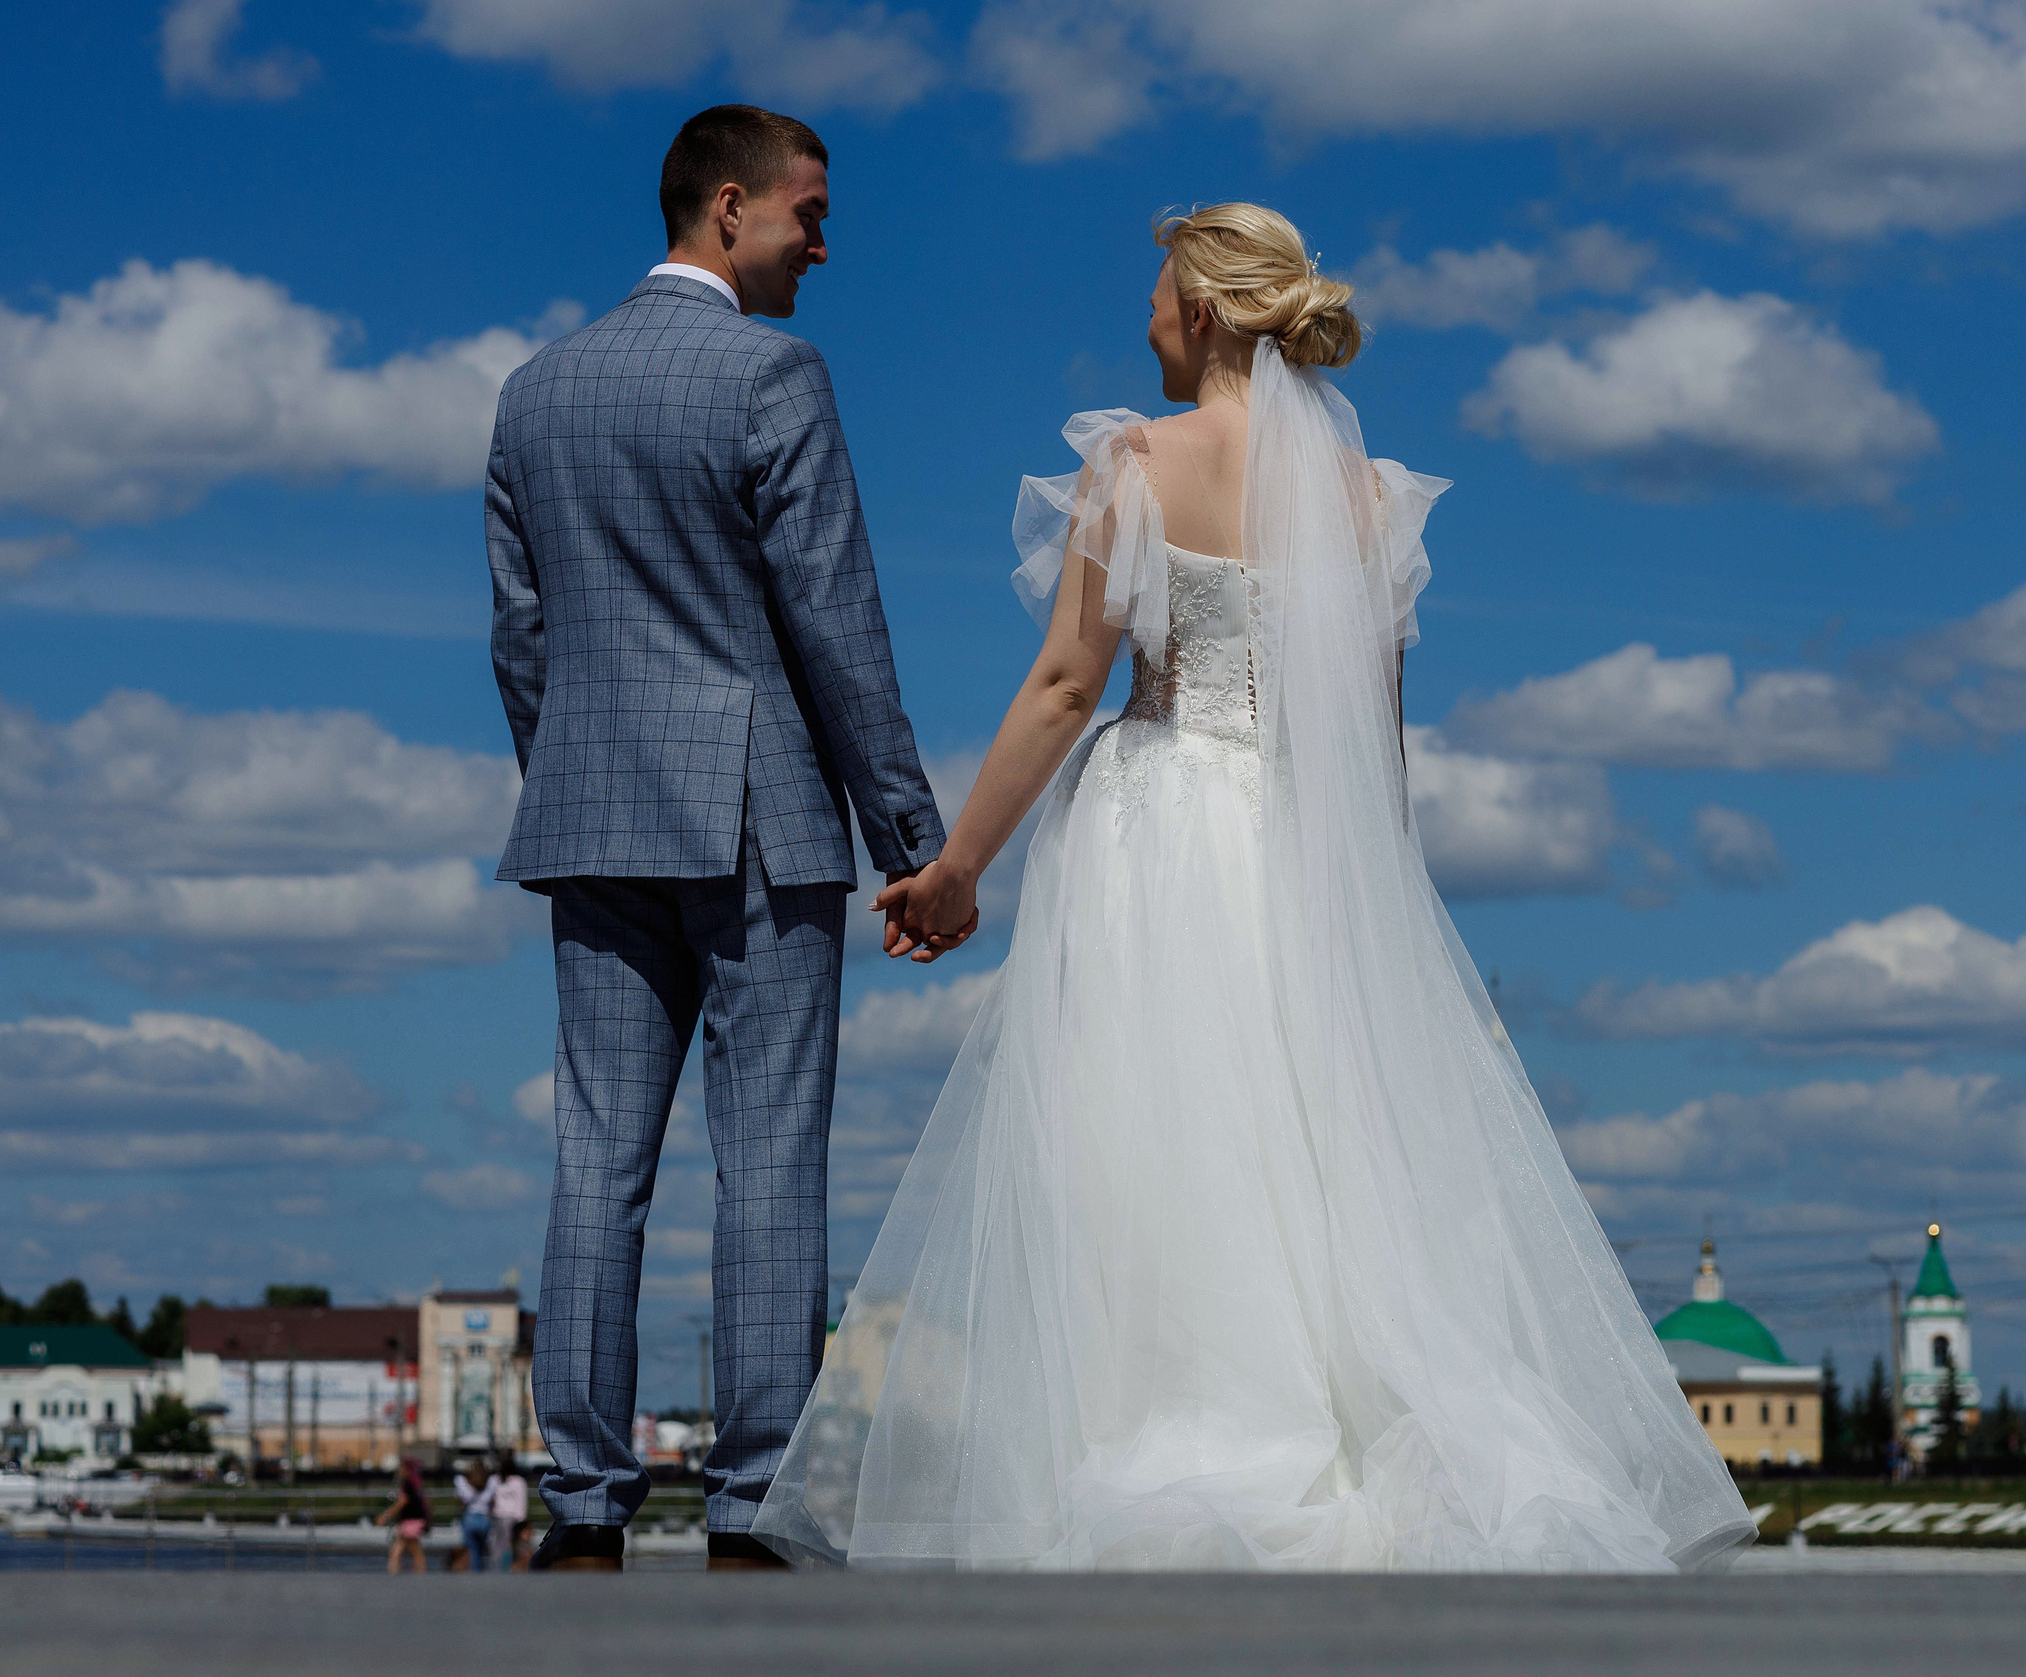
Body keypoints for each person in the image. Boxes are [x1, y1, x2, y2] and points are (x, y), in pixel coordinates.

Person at [752, 204, 1753, 1572]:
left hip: (1164, 831)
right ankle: (1354, 1442)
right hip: (1312, 853)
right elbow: (1374, 746)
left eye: (1159, 294)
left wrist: (957, 864)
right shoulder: (1369, 499)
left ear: (1208, 309)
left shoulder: (1138, 464)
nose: (1146, 320)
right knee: (1324, 1153)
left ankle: (1171, 1427)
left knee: (1149, 1145)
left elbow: (1063, 683)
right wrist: (1380, 920)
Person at [484, 104, 950, 1574]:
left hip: (591, 815)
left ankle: (579, 1502)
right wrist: (912, 837)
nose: (825, 242)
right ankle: (749, 1499)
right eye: (809, 212)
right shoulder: (771, 373)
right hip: (759, 822)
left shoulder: (533, 389)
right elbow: (834, 620)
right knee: (767, 1160)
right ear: (730, 208)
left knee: (594, 1160)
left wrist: (570, 773)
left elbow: (522, 632)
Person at [374, 1458, 432, 1574]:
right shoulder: (415, 1483)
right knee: (407, 1549)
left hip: (410, 1521)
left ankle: (398, 1574)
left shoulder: (407, 1483)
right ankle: (416, 1573)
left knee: (409, 1550)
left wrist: (386, 1515)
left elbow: (403, 1501)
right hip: (415, 1520)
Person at [453, 1459, 496, 1571]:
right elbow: (491, 1501)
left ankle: (473, 1572)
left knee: (471, 1550)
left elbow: (462, 1499)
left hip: (470, 1517)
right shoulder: (490, 1482)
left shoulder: (464, 1482)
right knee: (482, 1549)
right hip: (484, 1518)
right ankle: (480, 1571)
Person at [490, 1450, 529, 1572]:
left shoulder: (496, 1480)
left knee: (498, 1544)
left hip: (499, 1515)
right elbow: (521, 1500)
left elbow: (492, 1497)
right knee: (510, 1545)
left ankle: (498, 1566)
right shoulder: (519, 1481)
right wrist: (522, 1519)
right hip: (513, 1517)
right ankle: (507, 1566)